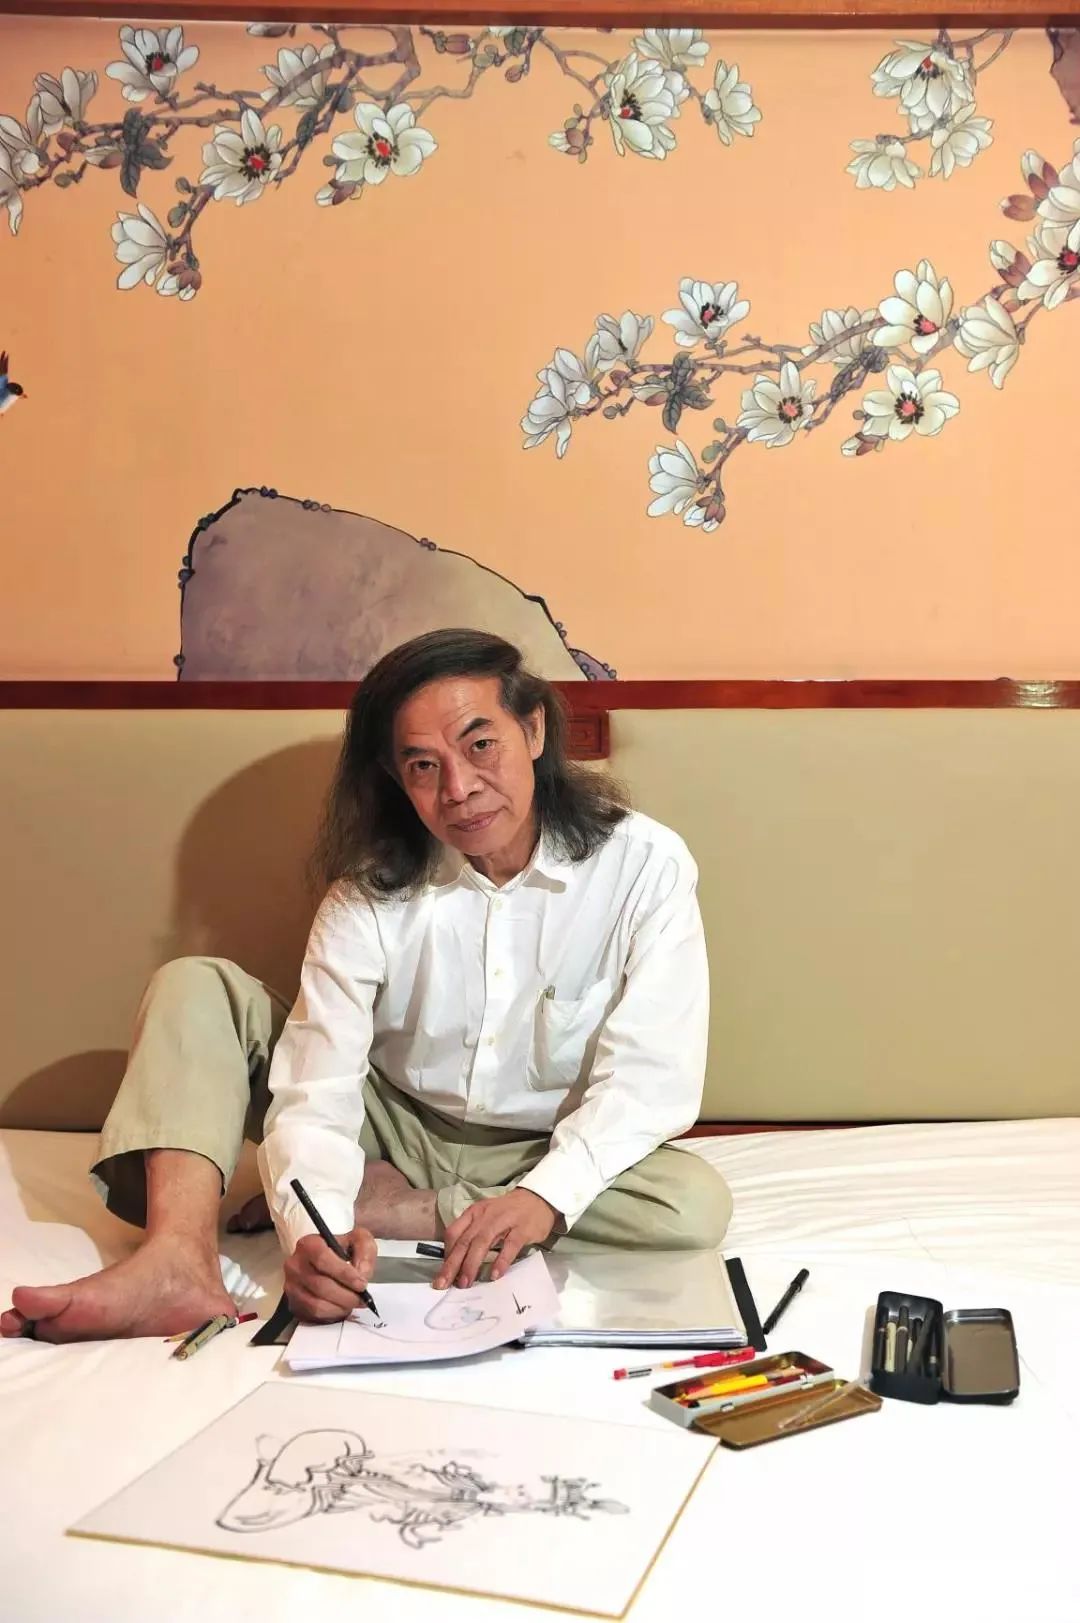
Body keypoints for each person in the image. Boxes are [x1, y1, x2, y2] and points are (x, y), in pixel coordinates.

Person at [2, 629, 731, 1344]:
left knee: (691, 1204)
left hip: (535, 1147)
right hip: (386, 1118)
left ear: (533, 730)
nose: (459, 789)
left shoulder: (645, 865)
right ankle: (175, 1260)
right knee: (195, 985)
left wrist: (541, 1196)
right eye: (423, 766)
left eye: (481, 745)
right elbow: (317, 1086)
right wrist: (312, 1232)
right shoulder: (367, 893)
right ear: (395, 778)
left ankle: (393, 1206)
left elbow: (649, 1078)